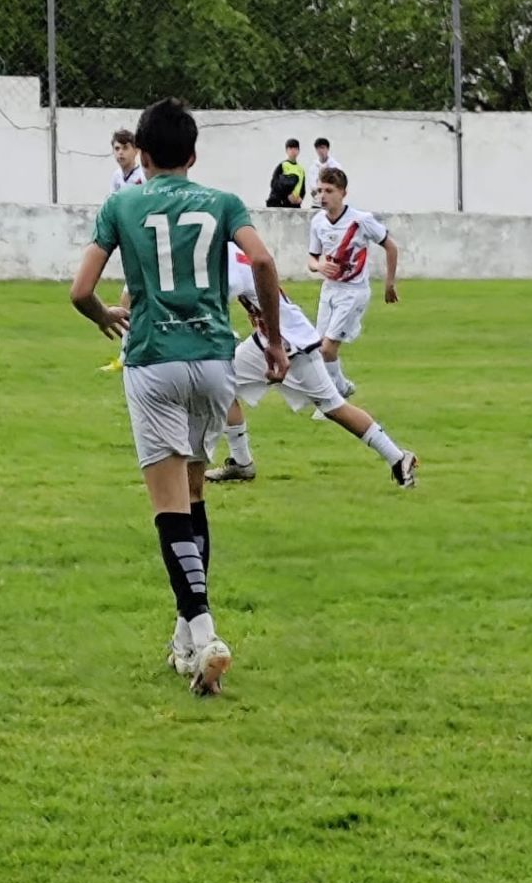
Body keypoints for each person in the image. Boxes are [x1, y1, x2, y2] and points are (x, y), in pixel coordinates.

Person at [70, 97, 286, 697]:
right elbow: (264, 260)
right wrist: (269, 337)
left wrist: (103, 316)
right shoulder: (222, 202)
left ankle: (207, 632)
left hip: (154, 363)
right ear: (193, 155)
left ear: (140, 153)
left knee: (169, 508)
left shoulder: (122, 202)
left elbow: (80, 289)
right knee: (193, 500)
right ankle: (186, 638)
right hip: (214, 360)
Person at [207, 249, 418, 489]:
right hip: (274, 336)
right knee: (223, 385)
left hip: (289, 339)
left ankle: (399, 458)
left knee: (332, 405)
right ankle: (241, 463)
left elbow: (214, 296)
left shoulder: (225, 255)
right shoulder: (235, 249)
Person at [306, 167, 398, 398]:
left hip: (353, 292)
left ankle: (332, 397)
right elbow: (312, 258)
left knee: (328, 348)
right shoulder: (318, 222)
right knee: (318, 350)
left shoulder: (360, 220)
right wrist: (319, 266)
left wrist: (389, 283)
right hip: (329, 290)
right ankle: (341, 388)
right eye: (320, 191)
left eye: (329, 190)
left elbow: (391, 246)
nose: (323, 196)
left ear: (343, 193)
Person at [266, 138, 306, 208]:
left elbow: (302, 187)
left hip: (295, 205)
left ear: (298, 151)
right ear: (286, 151)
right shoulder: (282, 165)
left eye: (295, 148)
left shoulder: (301, 169)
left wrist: (301, 198)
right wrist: (288, 195)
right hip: (283, 203)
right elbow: (274, 183)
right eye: (290, 148)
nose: (293, 151)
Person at [108, 129, 144, 194]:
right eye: (117, 148)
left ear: (136, 151)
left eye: (125, 148)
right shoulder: (116, 176)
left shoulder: (143, 176)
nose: (120, 152)